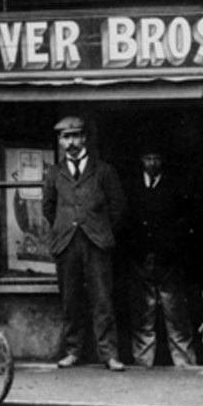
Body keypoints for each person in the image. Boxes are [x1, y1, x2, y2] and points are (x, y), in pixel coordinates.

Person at [42, 115, 127, 370]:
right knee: (71, 300)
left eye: (75, 136)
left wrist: (100, 230)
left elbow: (118, 208)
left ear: (85, 138)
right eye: (66, 138)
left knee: (102, 300)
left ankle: (109, 354)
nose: (71, 143)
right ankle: (72, 351)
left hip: (96, 244)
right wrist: (66, 225)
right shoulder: (55, 174)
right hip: (67, 244)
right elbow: (48, 208)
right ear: (59, 141)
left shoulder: (103, 171)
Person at [121, 149, 199, 368]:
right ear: (141, 160)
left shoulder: (176, 186)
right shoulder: (131, 187)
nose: (152, 162)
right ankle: (143, 365)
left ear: (162, 160)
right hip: (140, 259)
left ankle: (185, 365)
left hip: (168, 261)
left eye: (156, 158)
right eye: (147, 158)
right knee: (142, 316)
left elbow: (186, 222)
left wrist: (173, 248)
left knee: (176, 315)